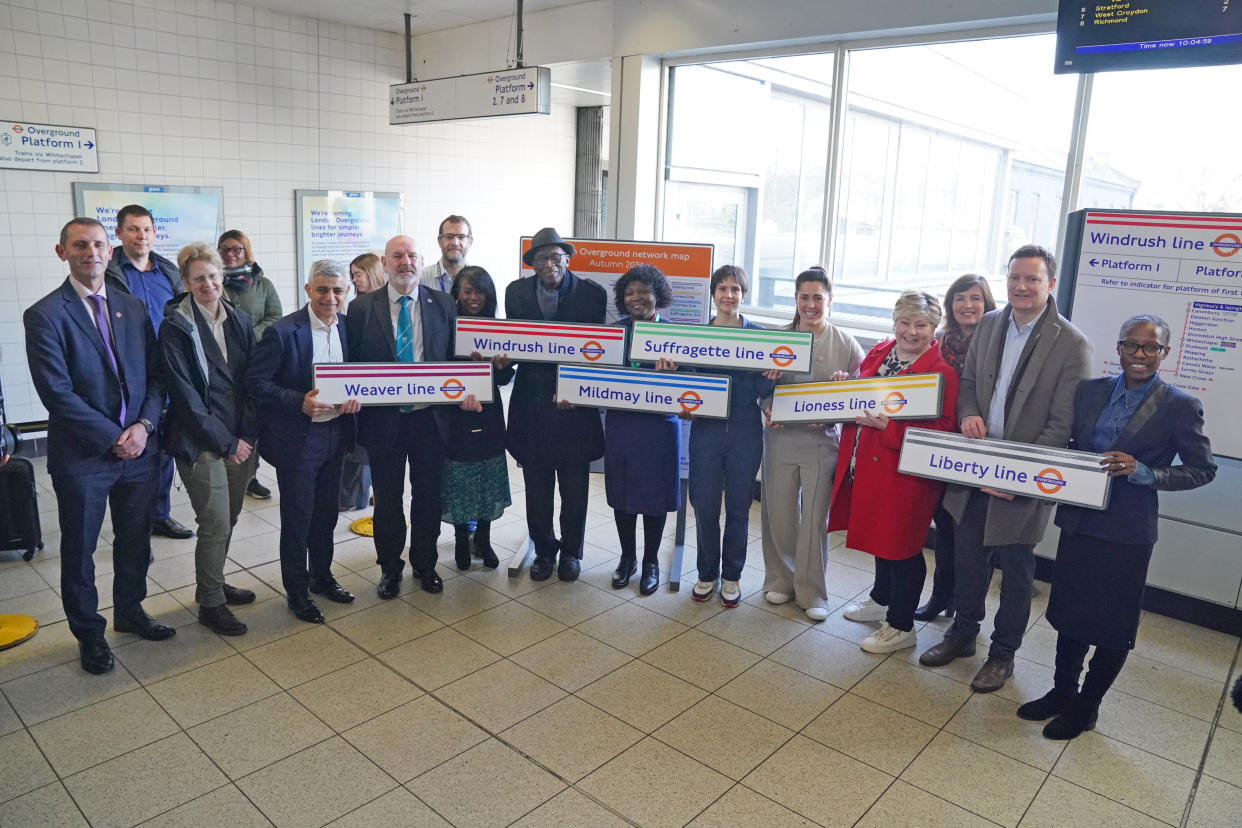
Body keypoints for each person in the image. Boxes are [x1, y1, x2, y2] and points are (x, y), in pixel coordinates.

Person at [1017, 315, 1215, 739]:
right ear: (1119, 348)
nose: (1139, 355)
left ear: (1165, 353)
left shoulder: (1179, 405)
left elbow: (1202, 470)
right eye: (1131, 345)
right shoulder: (1089, 392)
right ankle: (1061, 693)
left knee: (1110, 624)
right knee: (1069, 615)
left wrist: (1145, 471)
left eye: (1150, 348)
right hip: (1080, 521)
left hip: (1127, 533)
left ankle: (1087, 707)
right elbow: (1068, 448)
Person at [920, 244, 1092, 694]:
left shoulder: (1071, 344)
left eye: (1032, 279)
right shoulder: (991, 324)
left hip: (1023, 476)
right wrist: (968, 414)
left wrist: (1016, 474)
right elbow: (971, 384)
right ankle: (962, 634)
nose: (1021, 286)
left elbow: (1062, 424)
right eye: (1015, 277)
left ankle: (1003, 654)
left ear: (1049, 284)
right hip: (976, 465)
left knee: (1016, 572)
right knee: (968, 556)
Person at [25, 218, 173, 674]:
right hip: (84, 456)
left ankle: (130, 611)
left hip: (140, 449)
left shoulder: (130, 306)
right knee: (81, 549)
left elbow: (155, 376)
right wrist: (115, 437)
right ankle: (89, 634)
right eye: (80, 245)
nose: (90, 252)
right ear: (62, 251)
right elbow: (57, 393)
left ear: (110, 252)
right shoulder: (45, 314)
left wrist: (145, 426)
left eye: (97, 245)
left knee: (134, 540)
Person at [833, 291, 960, 653]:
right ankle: (881, 599)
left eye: (921, 324)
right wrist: (846, 388)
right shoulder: (880, 352)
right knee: (879, 538)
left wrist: (890, 428)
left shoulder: (941, 372)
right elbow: (863, 394)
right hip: (868, 464)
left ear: (934, 327)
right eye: (905, 322)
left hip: (906, 475)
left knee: (901, 546)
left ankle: (902, 626)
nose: (911, 331)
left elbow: (944, 431)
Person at [345, 235, 464, 598]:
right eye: (397, 256)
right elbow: (352, 364)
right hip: (384, 421)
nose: (405, 262)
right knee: (388, 498)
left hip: (430, 420)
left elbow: (454, 359)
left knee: (428, 496)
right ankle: (389, 568)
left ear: (421, 259)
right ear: (385, 262)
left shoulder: (443, 304)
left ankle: (425, 564)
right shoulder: (362, 308)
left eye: (412, 255)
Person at [250, 261, 362, 623]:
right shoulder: (284, 332)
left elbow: (359, 376)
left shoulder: (350, 328)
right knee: (298, 519)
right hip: (299, 438)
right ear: (307, 289)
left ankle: (322, 577)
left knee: (327, 514)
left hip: (338, 433)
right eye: (322, 290)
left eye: (337, 290)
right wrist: (299, 401)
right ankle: (296, 592)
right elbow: (256, 383)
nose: (330, 298)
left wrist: (357, 397)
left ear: (346, 293)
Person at [158, 242, 260, 636]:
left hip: (241, 438)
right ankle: (211, 604)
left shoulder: (240, 319)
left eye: (213, 276)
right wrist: (227, 443)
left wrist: (246, 435)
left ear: (223, 277)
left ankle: (212, 583)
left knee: (230, 517)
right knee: (215, 520)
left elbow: (251, 382)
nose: (208, 283)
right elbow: (184, 397)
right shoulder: (176, 326)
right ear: (185, 281)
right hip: (199, 439)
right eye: (198, 278)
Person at [761, 266, 864, 622]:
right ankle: (780, 580)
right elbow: (760, 390)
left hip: (821, 442)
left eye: (818, 298)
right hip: (781, 438)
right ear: (795, 300)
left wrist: (842, 390)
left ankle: (812, 591)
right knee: (779, 512)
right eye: (804, 297)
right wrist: (766, 402)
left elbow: (860, 396)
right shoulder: (779, 339)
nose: (811, 304)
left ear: (829, 300)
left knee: (814, 519)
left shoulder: (846, 344)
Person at [505, 227, 607, 582]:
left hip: (574, 407)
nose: (549, 263)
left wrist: (574, 389)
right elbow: (517, 346)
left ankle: (572, 553)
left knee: (575, 486)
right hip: (531, 406)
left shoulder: (593, 296)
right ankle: (545, 550)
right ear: (532, 263)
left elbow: (599, 353)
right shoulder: (515, 293)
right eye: (541, 257)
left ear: (567, 259)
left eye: (555, 256)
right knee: (537, 486)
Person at [104, 204, 193, 541]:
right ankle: (131, 526)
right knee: (132, 444)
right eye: (133, 229)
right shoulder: (109, 271)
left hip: (167, 367)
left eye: (146, 229)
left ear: (155, 233)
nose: (141, 236)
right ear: (119, 233)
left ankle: (159, 514)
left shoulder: (168, 271)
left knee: (164, 444)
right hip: (130, 371)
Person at [688, 265, 774, 608]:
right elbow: (688, 384)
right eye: (722, 288)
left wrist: (770, 376)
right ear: (713, 294)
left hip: (744, 431)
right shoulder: (696, 336)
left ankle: (732, 576)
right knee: (705, 507)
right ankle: (706, 573)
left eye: (735, 289)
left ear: (744, 294)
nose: (728, 295)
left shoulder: (760, 336)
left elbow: (761, 388)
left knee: (739, 509)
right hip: (705, 432)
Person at [914, 274, 996, 621]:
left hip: (980, 448)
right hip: (942, 448)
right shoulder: (939, 342)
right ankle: (941, 598)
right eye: (960, 298)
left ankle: (968, 613)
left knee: (974, 540)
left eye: (976, 298)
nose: (967, 305)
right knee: (944, 529)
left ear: (987, 304)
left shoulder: (999, 343)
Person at [606, 265, 681, 596]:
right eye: (630, 293)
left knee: (654, 496)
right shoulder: (612, 334)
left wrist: (675, 374)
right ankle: (627, 558)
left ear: (658, 296)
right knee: (622, 495)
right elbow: (595, 377)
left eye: (643, 291)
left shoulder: (678, 336)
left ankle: (651, 561)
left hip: (659, 427)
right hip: (622, 424)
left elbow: (695, 386)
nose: (636, 298)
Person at [444, 266, 513, 571]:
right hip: (454, 412)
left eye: (480, 291)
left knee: (489, 473)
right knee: (460, 477)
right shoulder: (445, 325)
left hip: (489, 411)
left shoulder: (497, 328)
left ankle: (483, 539)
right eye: (467, 291)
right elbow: (437, 370)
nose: (474, 298)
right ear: (457, 293)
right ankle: (461, 538)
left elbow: (505, 378)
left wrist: (497, 366)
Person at [218, 229, 283, 501]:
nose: (231, 253)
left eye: (237, 248)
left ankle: (250, 476)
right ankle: (221, 472)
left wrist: (248, 336)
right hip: (220, 361)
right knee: (224, 417)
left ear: (247, 251)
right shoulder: (214, 281)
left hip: (255, 362)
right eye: (225, 249)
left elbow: (275, 316)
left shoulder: (263, 284)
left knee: (251, 419)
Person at [339, 252, 385, 511]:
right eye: (353, 275)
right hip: (359, 386)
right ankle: (352, 497)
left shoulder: (385, 304)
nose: (354, 280)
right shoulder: (356, 306)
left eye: (358, 274)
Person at [421, 215, 472, 292]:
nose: (455, 243)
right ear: (439, 241)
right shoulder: (421, 279)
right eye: (449, 236)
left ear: (470, 242)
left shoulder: (482, 280)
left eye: (461, 237)